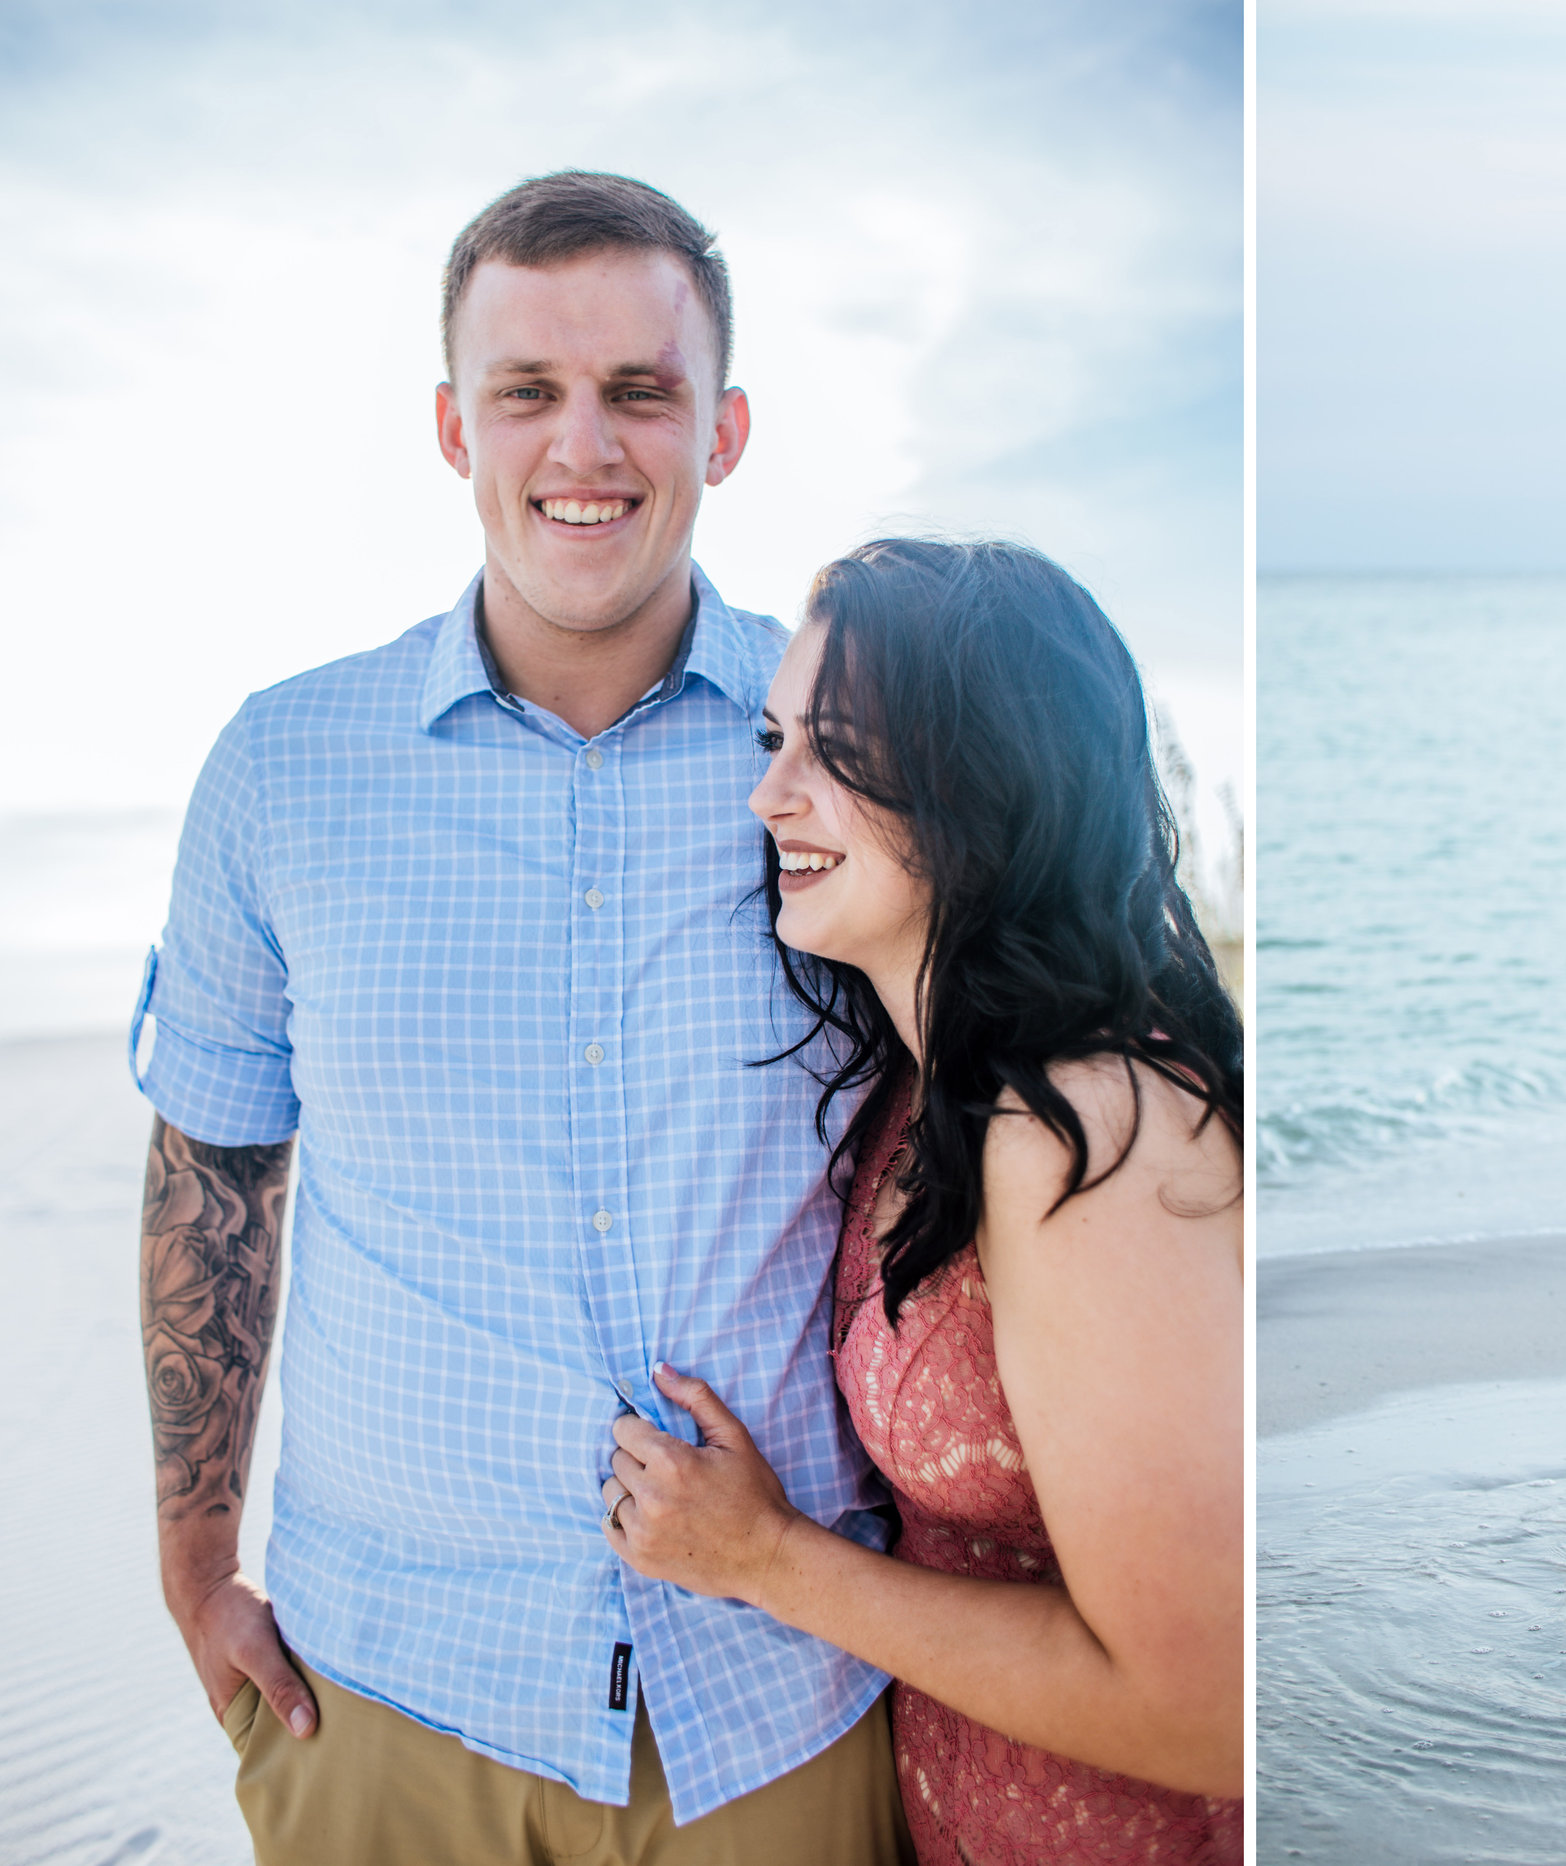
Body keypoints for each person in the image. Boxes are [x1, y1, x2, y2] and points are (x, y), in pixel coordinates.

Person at [135, 171, 912, 1861]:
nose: (585, 445)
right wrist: (195, 1566)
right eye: (528, 393)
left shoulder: (852, 753)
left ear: (725, 429)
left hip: (779, 1710)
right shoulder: (283, 768)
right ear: (449, 425)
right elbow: (211, 1176)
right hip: (385, 1711)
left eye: (641, 391)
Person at [594, 539, 1246, 1864]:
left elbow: (1211, 1702)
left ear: (987, 775)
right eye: (775, 738)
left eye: (834, 747)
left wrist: (767, 1558)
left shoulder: (1085, 1122)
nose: (770, 792)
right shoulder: (919, 1086)